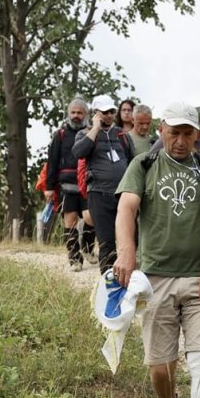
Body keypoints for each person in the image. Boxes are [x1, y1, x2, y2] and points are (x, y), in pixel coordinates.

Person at [114, 101, 200, 398]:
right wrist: (126, 255)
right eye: (174, 132)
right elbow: (126, 208)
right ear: (162, 130)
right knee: (160, 366)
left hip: (199, 280)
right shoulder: (144, 164)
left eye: (187, 134)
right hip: (156, 278)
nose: (180, 141)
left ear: (198, 135)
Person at [72, 94, 135, 273]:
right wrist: (95, 128)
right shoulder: (84, 134)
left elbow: (132, 161)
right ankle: (108, 284)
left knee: (128, 240)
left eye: (111, 111)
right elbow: (78, 152)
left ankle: (127, 281)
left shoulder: (122, 135)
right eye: (104, 112)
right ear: (96, 113)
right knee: (107, 242)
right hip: (98, 194)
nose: (109, 115)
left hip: (123, 194)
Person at [44, 97, 97, 271]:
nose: (76, 116)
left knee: (92, 217)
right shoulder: (60, 134)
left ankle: (88, 247)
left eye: (79, 113)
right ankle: (74, 258)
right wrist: (49, 187)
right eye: (73, 112)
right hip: (66, 185)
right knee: (70, 221)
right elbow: (52, 161)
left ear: (86, 114)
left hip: (88, 184)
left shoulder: (92, 132)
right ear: (68, 113)